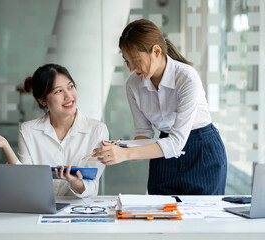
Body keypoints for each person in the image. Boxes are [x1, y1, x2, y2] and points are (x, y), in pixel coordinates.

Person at [92, 19, 227, 195]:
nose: (131, 69)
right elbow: (144, 133)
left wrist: (125, 154)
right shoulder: (133, 85)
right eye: (126, 61)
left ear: (156, 51)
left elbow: (177, 143)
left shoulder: (187, 77)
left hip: (202, 152)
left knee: (202, 219)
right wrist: (122, 147)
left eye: (136, 60)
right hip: (162, 151)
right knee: (159, 217)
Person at [0, 64, 108, 198]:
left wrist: (76, 183)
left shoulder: (97, 130)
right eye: (58, 91)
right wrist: (4, 144)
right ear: (43, 100)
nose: (68, 96)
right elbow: (24, 179)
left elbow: (92, 185)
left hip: (78, 210)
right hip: (37, 207)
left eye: (70, 87)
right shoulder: (28, 130)